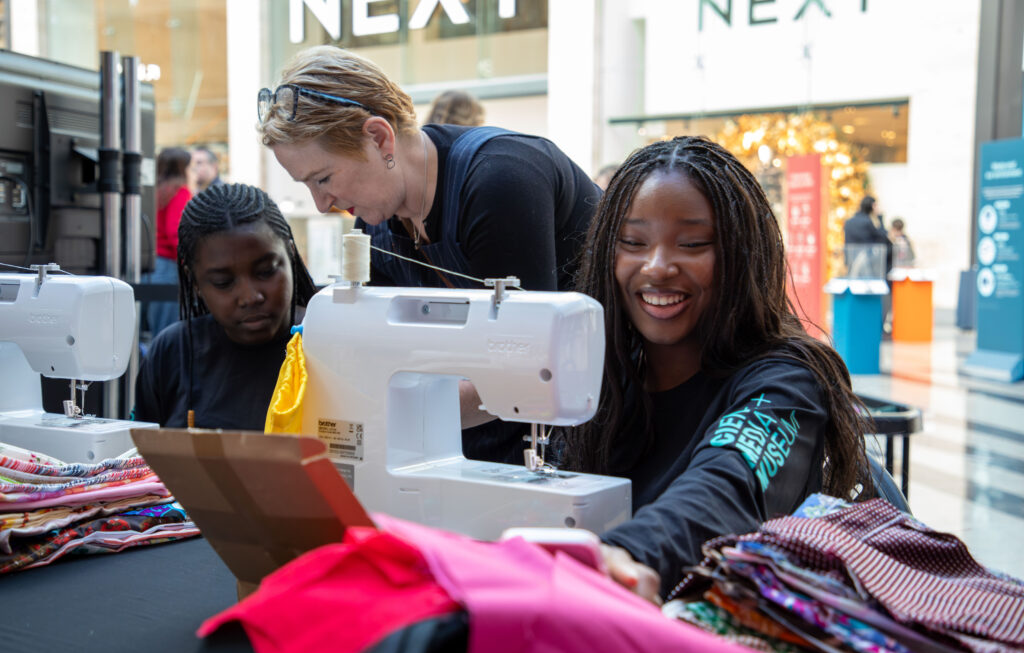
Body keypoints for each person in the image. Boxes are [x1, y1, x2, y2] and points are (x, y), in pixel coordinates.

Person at [562, 137, 873, 602]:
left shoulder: (786, 384)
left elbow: (724, 488)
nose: (658, 266)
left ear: (742, 254)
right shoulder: (606, 381)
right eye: (632, 243)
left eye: (692, 244)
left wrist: (626, 555)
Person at [257, 45, 601, 464]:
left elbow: (528, 374)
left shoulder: (500, 181)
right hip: (485, 436)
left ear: (379, 138)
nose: (321, 204)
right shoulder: (376, 223)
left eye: (323, 178)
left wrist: (375, 412)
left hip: (592, 426)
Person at [133, 183, 318, 430]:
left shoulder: (326, 344)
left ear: (291, 256)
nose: (249, 297)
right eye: (223, 282)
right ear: (195, 282)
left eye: (266, 271)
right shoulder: (173, 352)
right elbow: (142, 460)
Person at [144, 146, 193, 337]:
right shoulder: (179, 192)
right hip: (168, 267)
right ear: (183, 168)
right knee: (166, 332)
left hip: (151, 265)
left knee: (154, 330)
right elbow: (176, 233)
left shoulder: (155, 191)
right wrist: (188, 263)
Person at [843, 195, 891, 278]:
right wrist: (879, 217)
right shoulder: (867, 222)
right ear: (872, 206)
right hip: (865, 261)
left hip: (851, 260)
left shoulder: (849, 221)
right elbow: (882, 236)